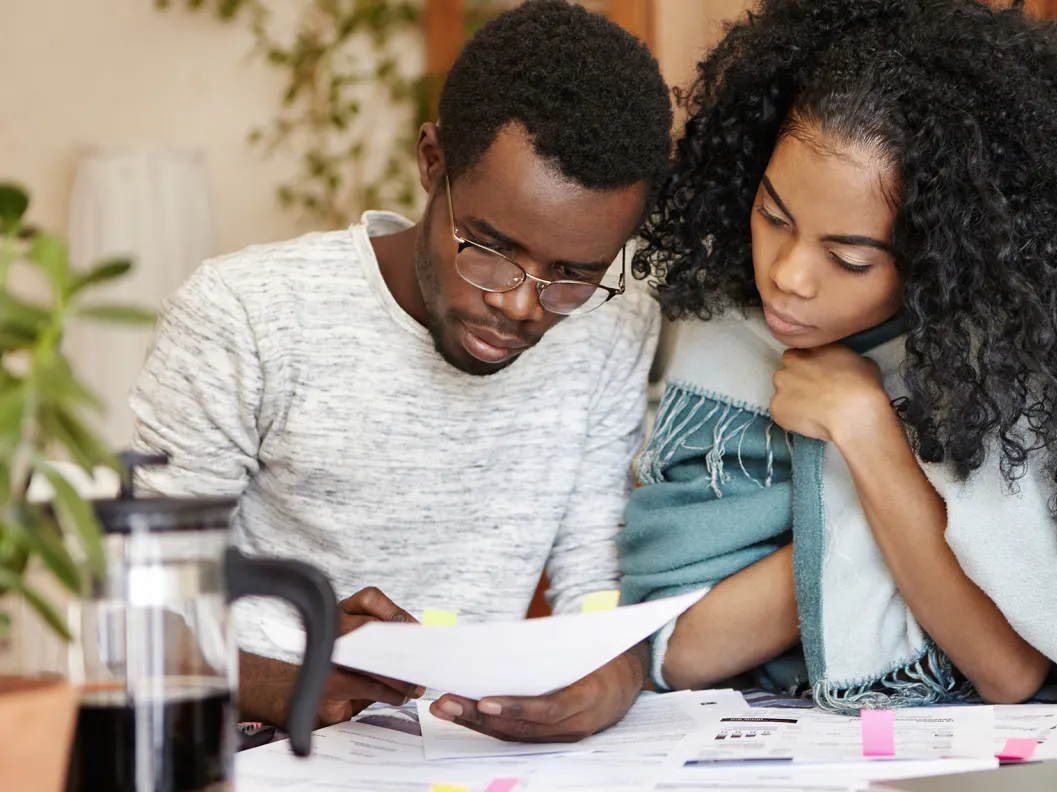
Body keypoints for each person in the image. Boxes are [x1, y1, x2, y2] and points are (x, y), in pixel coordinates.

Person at [617, 0, 1057, 710]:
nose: (788, 275)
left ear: (937, 257)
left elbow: (1007, 672)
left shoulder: (1009, 370)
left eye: (848, 258)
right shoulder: (725, 332)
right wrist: (884, 534)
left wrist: (867, 433)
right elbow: (677, 651)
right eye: (773, 217)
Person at [129, 0, 673, 740]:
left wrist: (612, 677)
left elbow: (594, 579)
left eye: (572, 275)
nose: (521, 306)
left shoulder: (614, 323)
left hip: (460, 757)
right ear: (432, 162)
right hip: (253, 748)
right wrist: (285, 682)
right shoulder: (243, 317)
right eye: (490, 249)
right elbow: (134, 609)